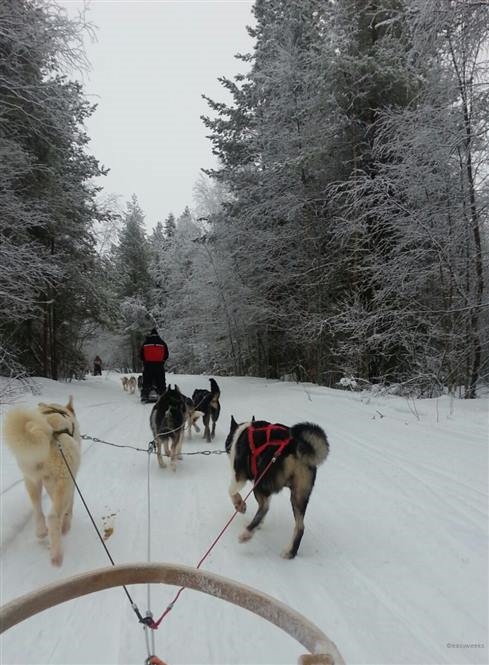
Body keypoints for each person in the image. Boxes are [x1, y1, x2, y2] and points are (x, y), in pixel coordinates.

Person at [140, 327, 169, 403]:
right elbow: (166, 354)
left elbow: (141, 354)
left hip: (148, 365)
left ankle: (145, 395)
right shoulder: (162, 342)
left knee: (147, 381)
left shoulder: (146, 342)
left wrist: (145, 361)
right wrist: (162, 361)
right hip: (159, 365)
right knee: (161, 381)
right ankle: (163, 395)